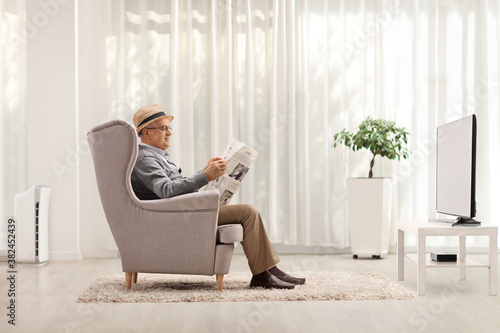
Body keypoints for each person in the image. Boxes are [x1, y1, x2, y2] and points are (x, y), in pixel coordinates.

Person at [131, 104, 305, 289]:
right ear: (146, 133)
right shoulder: (146, 159)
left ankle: (271, 271)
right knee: (247, 212)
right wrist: (205, 176)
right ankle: (262, 275)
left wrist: (206, 172)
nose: (169, 133)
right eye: (163, 128)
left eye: (169, 128)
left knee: (247, 212)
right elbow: (166, 190)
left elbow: (175, 186)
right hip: (176, 217)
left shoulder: (155, 156)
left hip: (182, 211)